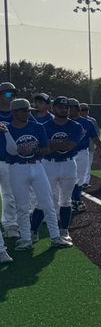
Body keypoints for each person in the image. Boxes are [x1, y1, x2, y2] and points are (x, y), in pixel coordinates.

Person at [1, 98, 71, 250]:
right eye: (23, 111)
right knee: (22, 206)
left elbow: (46, 149)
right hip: (16, 168)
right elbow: (9, 152)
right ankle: (26, 238)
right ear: (14, 112)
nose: (27, 114)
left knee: (47, 202)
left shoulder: (37, 127)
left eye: (28, 111)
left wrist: (34, 151)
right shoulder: (6, 130)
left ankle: (55, 236)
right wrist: (7, 135)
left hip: (37, 166)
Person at [38, 96, 87, 243]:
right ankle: (52, 231)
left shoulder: (76, 126)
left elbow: (70, 146)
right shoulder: (44, 126)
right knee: (49, 199)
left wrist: (51, 144)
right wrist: (58, 144)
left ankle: (64, 231)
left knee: (66, 200)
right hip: (49, 164)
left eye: (67, 107)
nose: (64, 109)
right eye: (61, 107)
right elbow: (44, 151)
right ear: (53, 108)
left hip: (68, 164)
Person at [69, 100, 101, 213]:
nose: (69, 109)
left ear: (77, 109)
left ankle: (76, 200)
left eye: (71, 107)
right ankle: (69, 201)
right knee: (69, 177)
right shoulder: (63, 122)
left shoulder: (87, 123)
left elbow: (95, 138)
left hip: (83, 152)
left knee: (80, 177)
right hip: (68, 154)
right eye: (67, 107)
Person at [0, 81, 17, 238]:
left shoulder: (17, 114)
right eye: (7, 94)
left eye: (13, 94)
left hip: (8, 160)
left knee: (9, 194)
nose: (11, 97)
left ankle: (10, 224)